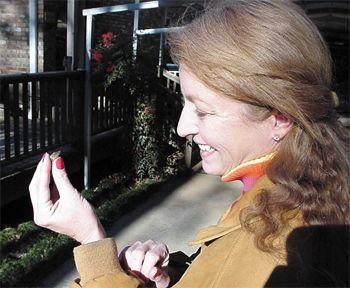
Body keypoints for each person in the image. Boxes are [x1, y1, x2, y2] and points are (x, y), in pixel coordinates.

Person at [29, 0, 350, 287]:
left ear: (280, 117)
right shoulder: (299, 191)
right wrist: (176, 276)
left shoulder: (275, 256)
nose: (183, 128)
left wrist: (90, 241)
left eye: (204, 110)